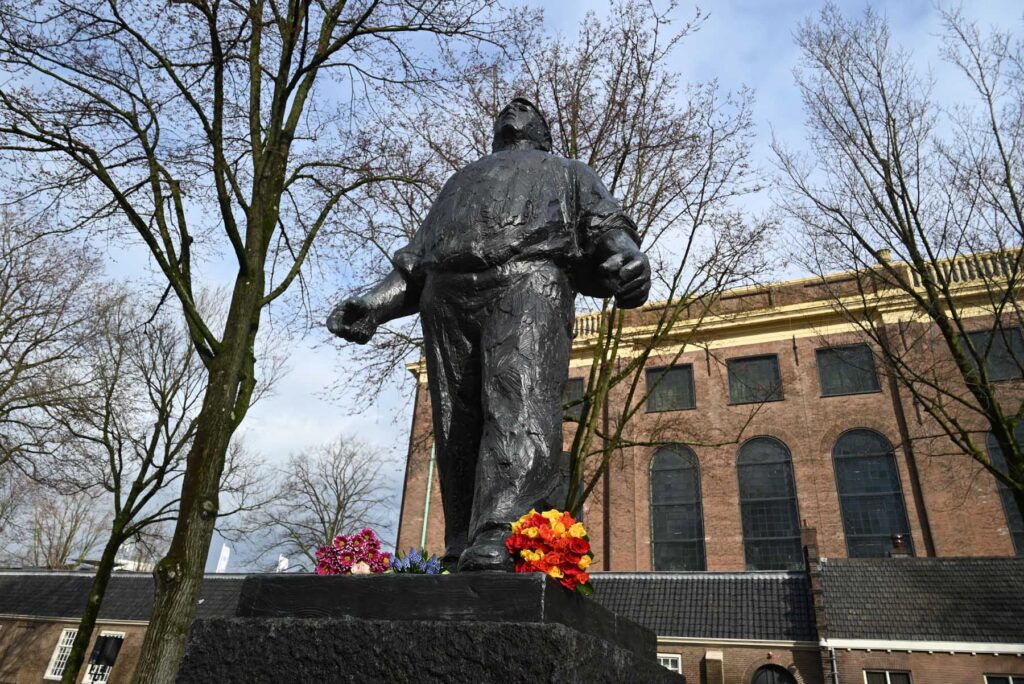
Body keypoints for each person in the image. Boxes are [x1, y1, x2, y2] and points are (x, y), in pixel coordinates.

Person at [328, 97, 650, 571]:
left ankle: (503, 531)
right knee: (456, 425)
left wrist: (628, 258)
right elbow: (418, 259)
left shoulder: (570, 172)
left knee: (519, 400)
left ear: (543, 134)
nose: (515, 106)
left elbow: (607, 226)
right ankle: (461, 538)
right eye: (508, 108)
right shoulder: (459, 182)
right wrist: (374, 305)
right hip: (447, 295)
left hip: (528, 283)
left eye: (529, 109)